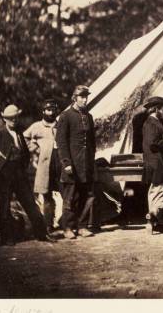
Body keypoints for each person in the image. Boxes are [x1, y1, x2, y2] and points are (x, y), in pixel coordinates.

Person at [0, 104, 54, 245]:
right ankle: (7, 237)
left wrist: (24, 164)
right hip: (4, 174)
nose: (13, 120)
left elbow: (25, 151)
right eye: (10, 118)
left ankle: (41, 234)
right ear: (5, 119)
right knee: (4, 207)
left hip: (19, 173)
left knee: (30, 203)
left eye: (15, 118)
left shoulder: (19, 131)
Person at [56, 85, 97, 240]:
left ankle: (82, 226)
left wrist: (91, 159)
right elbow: (61, 142)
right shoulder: (65, 116)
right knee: (70, 197)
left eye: (86, 96)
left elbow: (92, 141)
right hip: (72, 163)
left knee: (87, 195)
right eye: (82, 97)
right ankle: (67, 227)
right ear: (75, 98)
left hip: (86, 164)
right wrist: (66, 163)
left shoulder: (89, 116)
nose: (85, 99)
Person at [24, 99, 62, 232]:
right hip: (45, 165)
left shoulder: (61, 125)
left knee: (67, 193)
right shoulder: (36, 127)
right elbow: (25, 138)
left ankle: (67, 223)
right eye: (48, 110)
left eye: (53, 110)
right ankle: (48, 224)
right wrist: (35, 149)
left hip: (61, 164)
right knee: (46, 195)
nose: (51, 113)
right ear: (43, 111)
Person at [142, 96, 163, 234]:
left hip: (155, 162)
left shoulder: (152, 122)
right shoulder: (151, 123)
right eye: (162, 110)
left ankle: (153, 219)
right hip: (156, 162)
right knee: (161, 191)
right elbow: (153, 142)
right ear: (156, 109)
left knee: (159, 191)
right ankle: (152, 217)